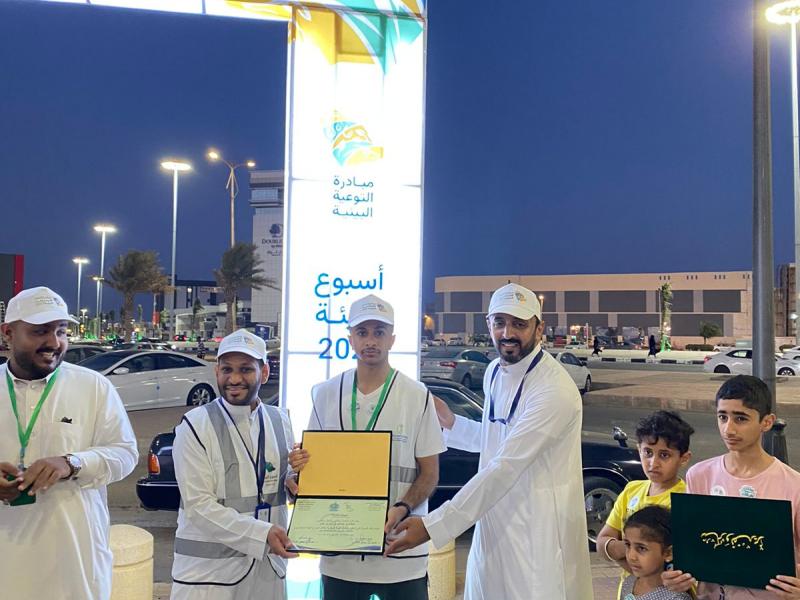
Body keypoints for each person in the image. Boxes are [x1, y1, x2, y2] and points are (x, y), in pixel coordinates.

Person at [385, 283, 592, 599]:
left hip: (537, 534)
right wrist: (452, 422)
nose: (508, 333)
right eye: (500, 322)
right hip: (492, 525)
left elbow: (507, 465)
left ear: (539, 329)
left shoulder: (554, 390)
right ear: (488, 324)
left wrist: (433, 526)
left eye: (519, 324)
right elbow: (497, 440)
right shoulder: (494, 371)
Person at [289, 294, 445, 600]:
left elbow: (430, 474)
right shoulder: (326, 394)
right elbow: (311, 468)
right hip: (340, 555)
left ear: (392, 339)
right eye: (362, 332)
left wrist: (403, 507)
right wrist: (296, 476)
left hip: (400, 551)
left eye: (379, 332)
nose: (371, 341)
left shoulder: (417, 396)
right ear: (350, 339)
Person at [0, 286, 138, 599]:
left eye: (61, 331)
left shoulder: (93, 386)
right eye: (40, 331)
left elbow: (125, 454)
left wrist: (72, 463)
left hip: (73, 562)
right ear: (8, 333)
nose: (54, 342)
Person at [170, 329, 297, 600]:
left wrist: (296, 482)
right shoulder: (195, 425)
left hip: (268, 572)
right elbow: (198, 506)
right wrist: (262, 534)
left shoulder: (280, 420)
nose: (235, 378)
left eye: (246, 369)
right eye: (227, 369)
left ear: (264, 373)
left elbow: (279, 485)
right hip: (209, 579)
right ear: (217, 372)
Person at [662, 375, 800, 599]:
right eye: (722, 417)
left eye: (741, 418)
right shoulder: (699, 475)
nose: (729, 429)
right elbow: (691, 548)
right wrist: (675, 575)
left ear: (766, 422)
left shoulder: (793, 485)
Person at [597, 410, 694, 583]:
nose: (653, 463)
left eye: (664, 455)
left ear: (684, 458)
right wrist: (632, 550)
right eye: (648, 452)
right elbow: (602, 541)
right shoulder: (631, 490)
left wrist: (621, 551)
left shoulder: (685, 500)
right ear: (638, 450)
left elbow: (675, 567)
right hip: (628, 589)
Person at [619, 505, 692, 600]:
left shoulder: (676, 597)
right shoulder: (629, 582)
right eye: (628, 545)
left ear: (668, 553)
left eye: (641, 548)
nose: (631, 556)